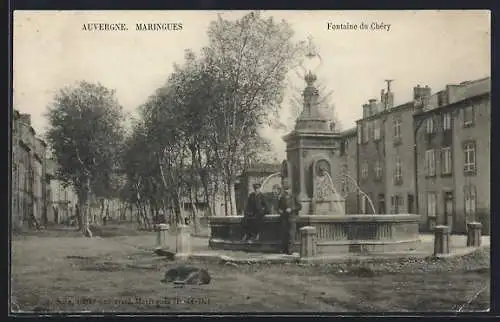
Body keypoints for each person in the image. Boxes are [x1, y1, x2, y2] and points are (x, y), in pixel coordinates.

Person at [277, 179, 302, 255]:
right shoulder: (282, 197)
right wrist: (280, 211)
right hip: (284, 218)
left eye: (288, 189)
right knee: (284, 234)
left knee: (291, 234)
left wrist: (291, 209)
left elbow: (300, 206)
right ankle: (284, 249)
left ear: (290, 189)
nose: (286, 191)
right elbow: (278, 207)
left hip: (292, 217)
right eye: (285, 189)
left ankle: (290, 250)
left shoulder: (294, 196)